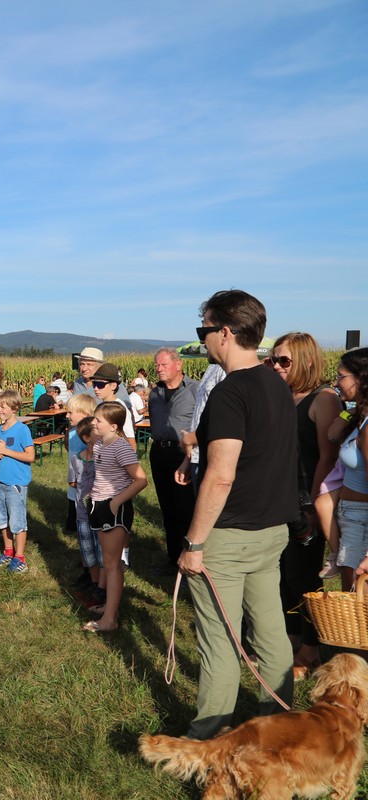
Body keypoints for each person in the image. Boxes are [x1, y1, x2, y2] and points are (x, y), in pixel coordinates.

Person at [176, 289, 297, 740]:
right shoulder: (276, 384)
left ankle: (206, 739)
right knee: (270, 631)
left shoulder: (230, 392)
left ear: (225, 332)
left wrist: (194, 543)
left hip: (228, 536)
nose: (202, 339)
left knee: (219, 641)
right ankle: (281, 727)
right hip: (272, 529)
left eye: (204, 329)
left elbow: (221, 475)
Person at [268, 333, 341, 678]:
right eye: (273, 360)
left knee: (304, 576)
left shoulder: (323, 399)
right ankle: (291, 637)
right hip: (280, 498)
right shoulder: (285, 395)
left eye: (284, 360)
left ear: (307, 361)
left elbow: (328, 457)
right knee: (283, 573)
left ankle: (311, 649)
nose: (276, 366)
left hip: (306, 499)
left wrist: (312, 503)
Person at [83, 401, 148, 632]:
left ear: (113, 426)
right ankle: (110, 608)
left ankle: (109, 620)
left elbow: (141, 479)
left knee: (112, 565)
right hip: (99, 505)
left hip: (114, 509)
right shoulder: (100, 444)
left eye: (98, 420)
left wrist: (116, 502)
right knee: (108, 561)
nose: (94, 423)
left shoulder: (121, 447)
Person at [148, 347, 199, 572]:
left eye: (164, 364)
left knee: (185, 507)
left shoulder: (195, 390)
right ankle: (172, 558)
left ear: (178, 365)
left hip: (183, 454)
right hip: (159, 451)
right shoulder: (154, 394)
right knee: (167, 506)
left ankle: (188, 558)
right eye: (157, 365)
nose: (159, 369)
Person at [0, 390, 36, 573]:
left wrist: (6, 451)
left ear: (14, 408)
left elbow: (30, 456)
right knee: (1, 519)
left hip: (15, 484)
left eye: (3, 407)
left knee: (17, 521)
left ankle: (20, 558)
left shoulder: (22, 430)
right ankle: (8, 552)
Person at [334, 350, 368, 587]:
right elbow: (332, 434)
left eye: (341, 376)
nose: (336, 382)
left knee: (356, 596)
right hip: (353, 517)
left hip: (361, 519)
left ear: (361, 378)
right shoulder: (361, 418)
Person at [64, 393, 100, 592]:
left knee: (95, 537)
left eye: (71, 412)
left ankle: (95, 576)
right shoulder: (72, 433)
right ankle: (88, 571)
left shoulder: (94, 438)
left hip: (92, 494)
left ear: (85, 414)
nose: (67, 415)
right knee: (83, 534)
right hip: (77, 493)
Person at [70, 417, 103, 610]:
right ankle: (94, 582)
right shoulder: (76, 459)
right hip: (83, 514)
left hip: (102, 514)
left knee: (101, 551)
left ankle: (102, 587)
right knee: (88, 552)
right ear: (86, 437)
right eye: (96, 430)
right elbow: (73, 481)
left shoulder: (104, 456)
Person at [91, 363, 135, 446]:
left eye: (100, 385)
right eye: (94, 384)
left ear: (113, 386)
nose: (96, 388)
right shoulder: (102, 405)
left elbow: (130, 439)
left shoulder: (119, 408)